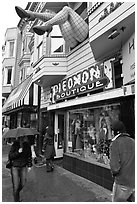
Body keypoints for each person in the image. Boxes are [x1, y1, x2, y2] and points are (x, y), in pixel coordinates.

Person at [109, 120, 135, 202]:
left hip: (122, 182)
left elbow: (115, 167)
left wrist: (114, 173)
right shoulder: (133, 141)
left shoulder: (115, 143)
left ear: (114, 132)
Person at [8, 136, 32, 202]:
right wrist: (18, 152)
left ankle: (17, 193)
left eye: (24, 137)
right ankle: (16, 200)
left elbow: (29, 155)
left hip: (23, 166)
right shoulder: (14, 145)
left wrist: (30, 165)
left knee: (23, 183)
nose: (23, 139)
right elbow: (10, 156)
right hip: (15, 167)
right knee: (15, 186)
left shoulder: (27, 145)